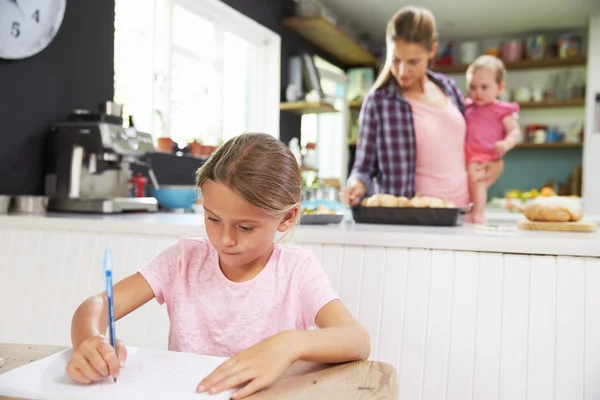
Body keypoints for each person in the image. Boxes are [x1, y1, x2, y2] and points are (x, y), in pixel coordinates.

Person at [65, 133, 370, 399]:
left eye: (246, 227)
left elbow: (356, 339)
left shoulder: (296, 270)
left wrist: (289, 344)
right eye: (212, 219)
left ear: (286, 218)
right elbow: (95, 306)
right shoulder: (183, 259)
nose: (225, 239)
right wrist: (91, 341)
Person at [344, 6, 487, 209]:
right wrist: (356, 184)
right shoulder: (378, 102)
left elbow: (469, 148)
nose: (402, 71)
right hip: (412, 219)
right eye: (395, 59)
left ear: (432, 51)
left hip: (462, 211)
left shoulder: (448, 87)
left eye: (412, 61)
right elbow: (362, 168)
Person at [465, 55, 521, 223]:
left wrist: (506, 144)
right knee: (467, 183)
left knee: (477, 181)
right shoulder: (468, 107)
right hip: (466, 154)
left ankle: (479, 214)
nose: (478, 92)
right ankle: (469, 211)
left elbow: (515, 131)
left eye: (484, 87)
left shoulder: (501, 110)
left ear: (500, 87)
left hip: (485, 155)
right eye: (473, 87)